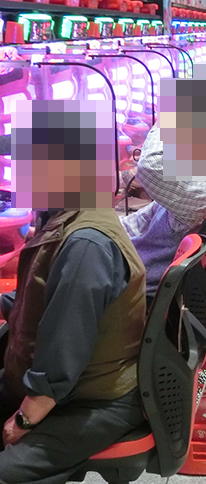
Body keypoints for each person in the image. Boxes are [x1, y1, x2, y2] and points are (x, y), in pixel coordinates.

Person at [0, 99, 147, 484]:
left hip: (93, 399)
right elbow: (45, 297)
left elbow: (61, 359)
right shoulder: (74, 214)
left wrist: (23, 421)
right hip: (72, 384)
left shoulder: (85, 244)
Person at [121, 123, 206, 304]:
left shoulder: (204, 194)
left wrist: (165, 120)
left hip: (134, 288)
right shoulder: (195, 179)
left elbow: (151, 165)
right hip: (128, 269)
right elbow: (138, 223)